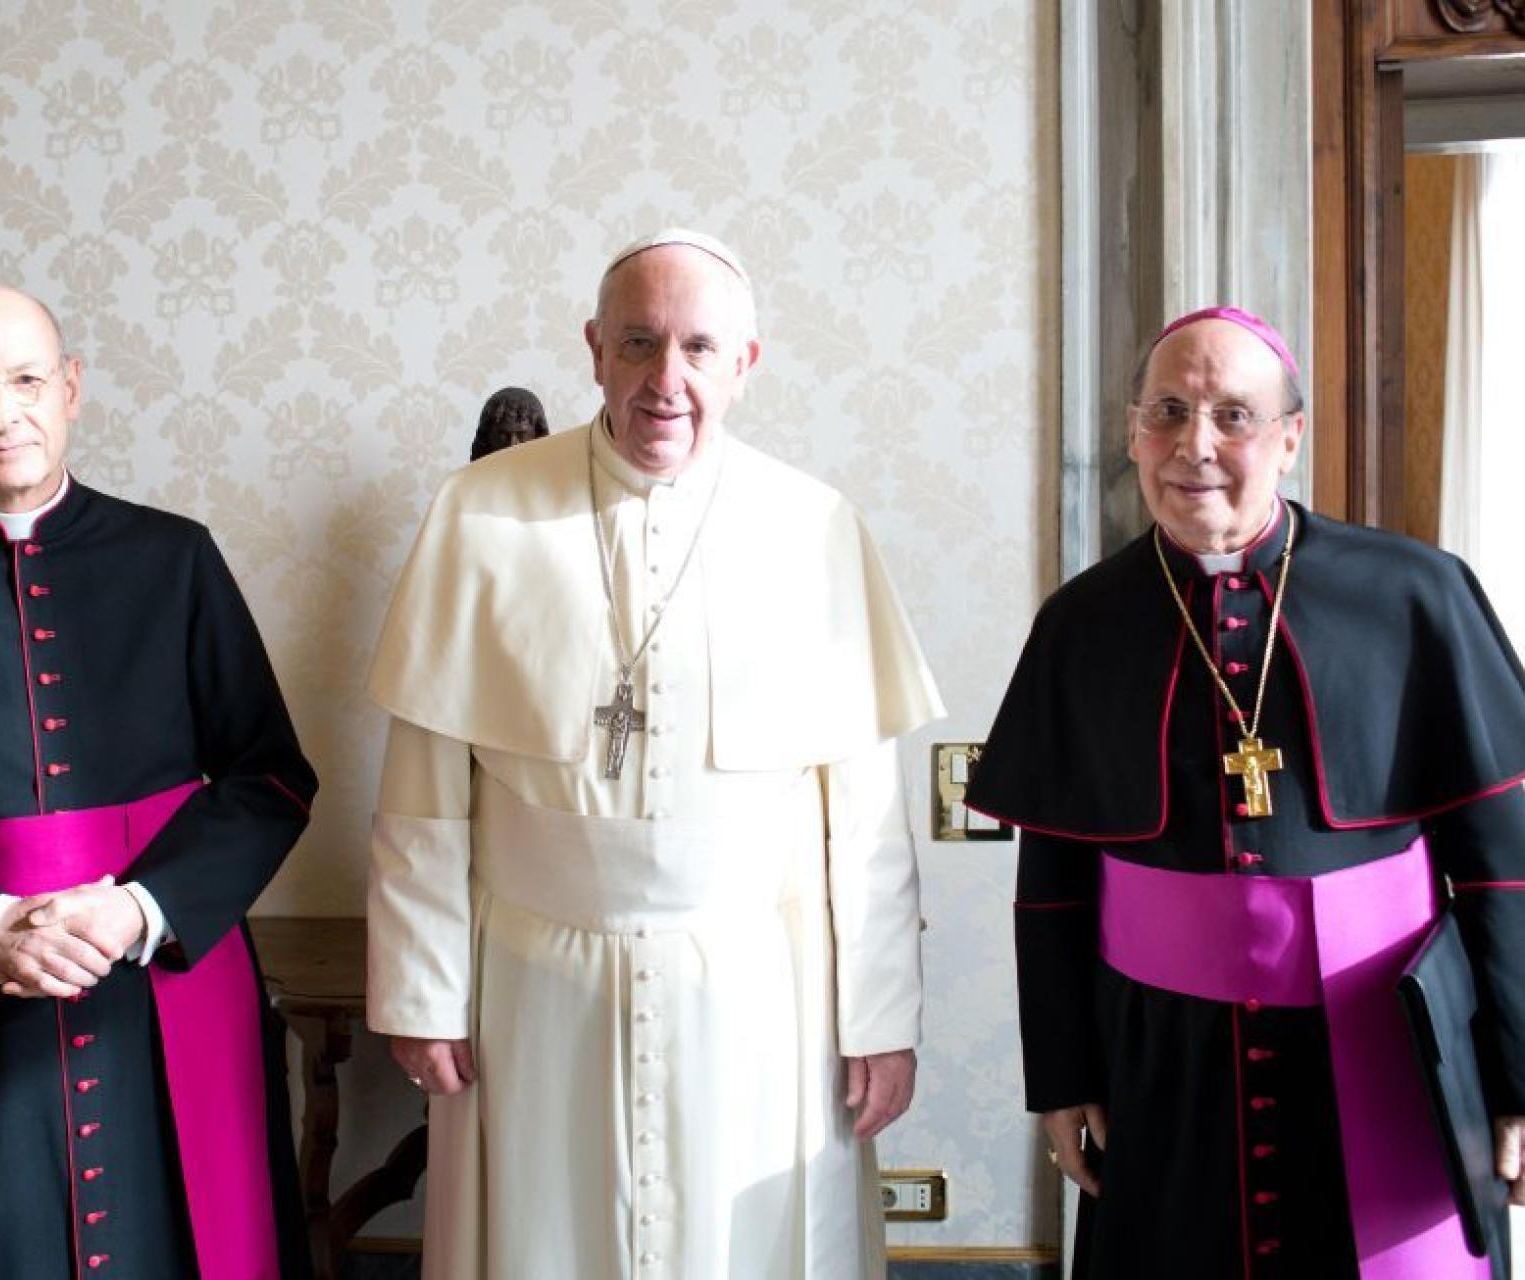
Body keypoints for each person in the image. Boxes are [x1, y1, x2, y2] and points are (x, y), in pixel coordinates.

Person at [364, 229, 943, 1278]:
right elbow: (423, 793)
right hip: (533, 977)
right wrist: (420, 990)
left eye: (696, 348)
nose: (664, 380)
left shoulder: (813, 526)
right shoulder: (480, 511)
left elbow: (862, 815)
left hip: (763, 986)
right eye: (637, 343)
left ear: (744, 364)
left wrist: (881, 1016)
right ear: (592, 349)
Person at [965, 305, 1525, 1278]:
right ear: (1132, 431)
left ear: (1287, 437)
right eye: (1168, 411)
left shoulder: (1413, 593)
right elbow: (1050, 874)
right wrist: (1059, 1074)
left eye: (1232, 414)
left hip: (1389, 1038)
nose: (1195, 445)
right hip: (1163, 1059)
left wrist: (1519, 1077)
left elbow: (1504, 863)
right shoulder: (1082, 622)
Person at [0, 285, 316, 1279]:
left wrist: (139, 907)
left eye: (25, 379)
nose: (1, 414)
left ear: (72, 388)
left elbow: (270, 776)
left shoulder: (173, 558)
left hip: (167, 972)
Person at [468, 385, 548, 461]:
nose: (512, 444)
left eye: (521, 434)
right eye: (503, 435)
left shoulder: (555, 472)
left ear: (537, 433)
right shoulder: (475, 474)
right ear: (487, 435)